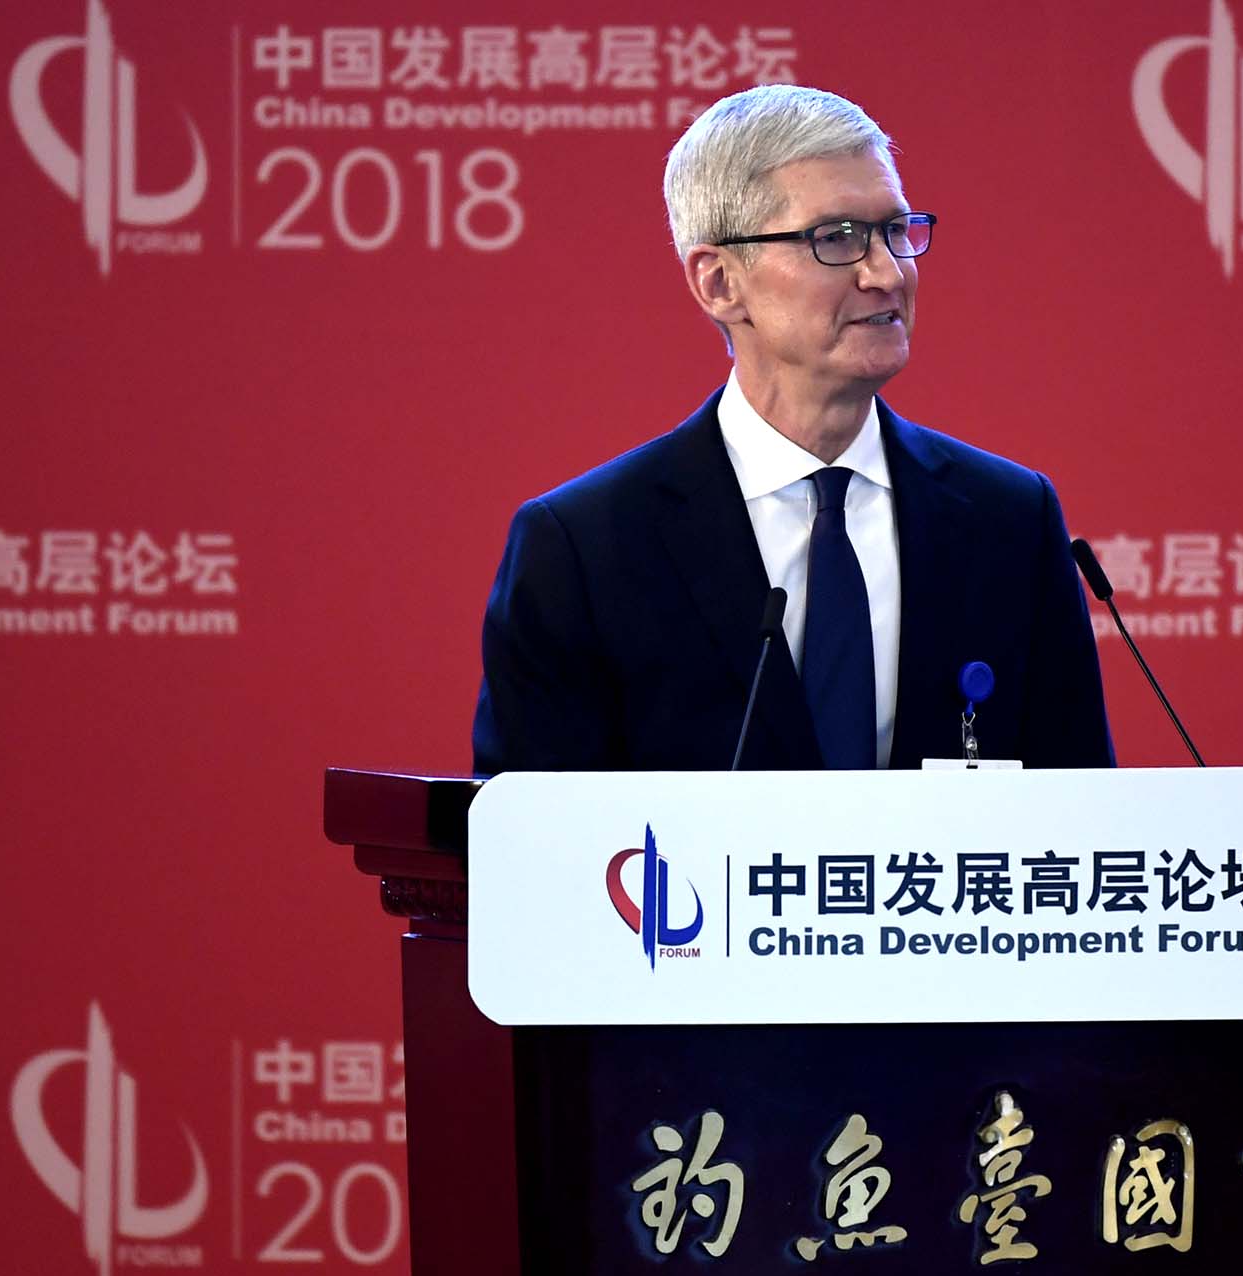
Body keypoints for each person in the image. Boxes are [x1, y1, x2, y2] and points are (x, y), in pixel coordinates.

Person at [472, 84, 1112, 774]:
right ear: (719, 282)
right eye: (837, 238)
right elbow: (530, 830)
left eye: (896, 231)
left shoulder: (1009, 519)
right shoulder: (585, 547)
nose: (887, 272)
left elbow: (1075, 807)